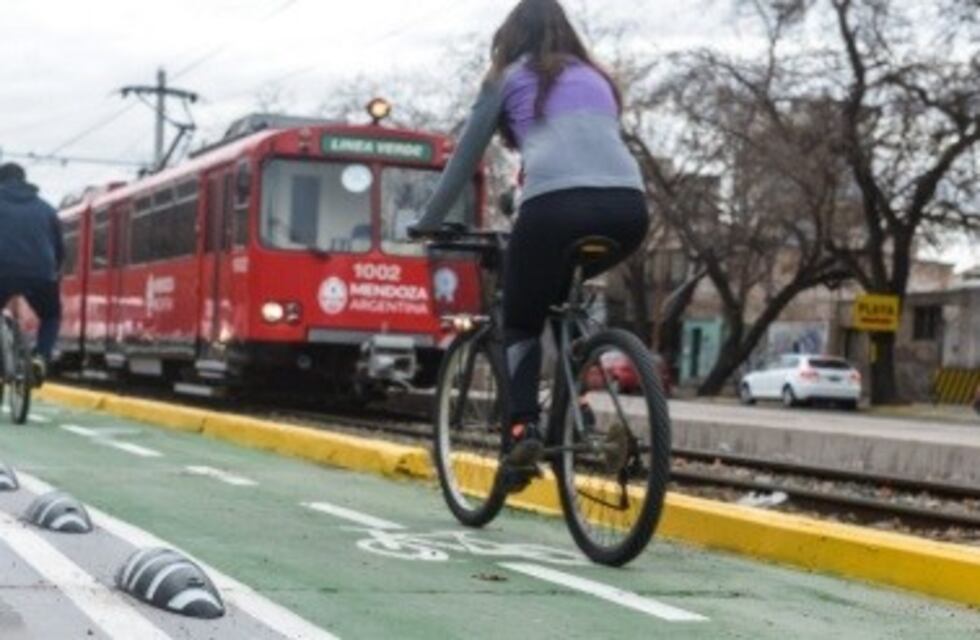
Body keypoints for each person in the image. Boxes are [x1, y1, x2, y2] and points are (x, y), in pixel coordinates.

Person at [412, 0, 649, 487]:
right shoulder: (599, 79)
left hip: (552, 210)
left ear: (509, 38)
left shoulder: (507, 77)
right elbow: (582, 151)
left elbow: (465, 158)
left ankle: (523, 429)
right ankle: (578, 403)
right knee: (561, 302)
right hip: (629, 208)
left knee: (520, 320)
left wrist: (428, 222)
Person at [0, 163, 64, 383]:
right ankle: (40, 357)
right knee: (51, 315)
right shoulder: (46, 208)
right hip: (40, 273)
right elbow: (60, 250)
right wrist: (54, 272)